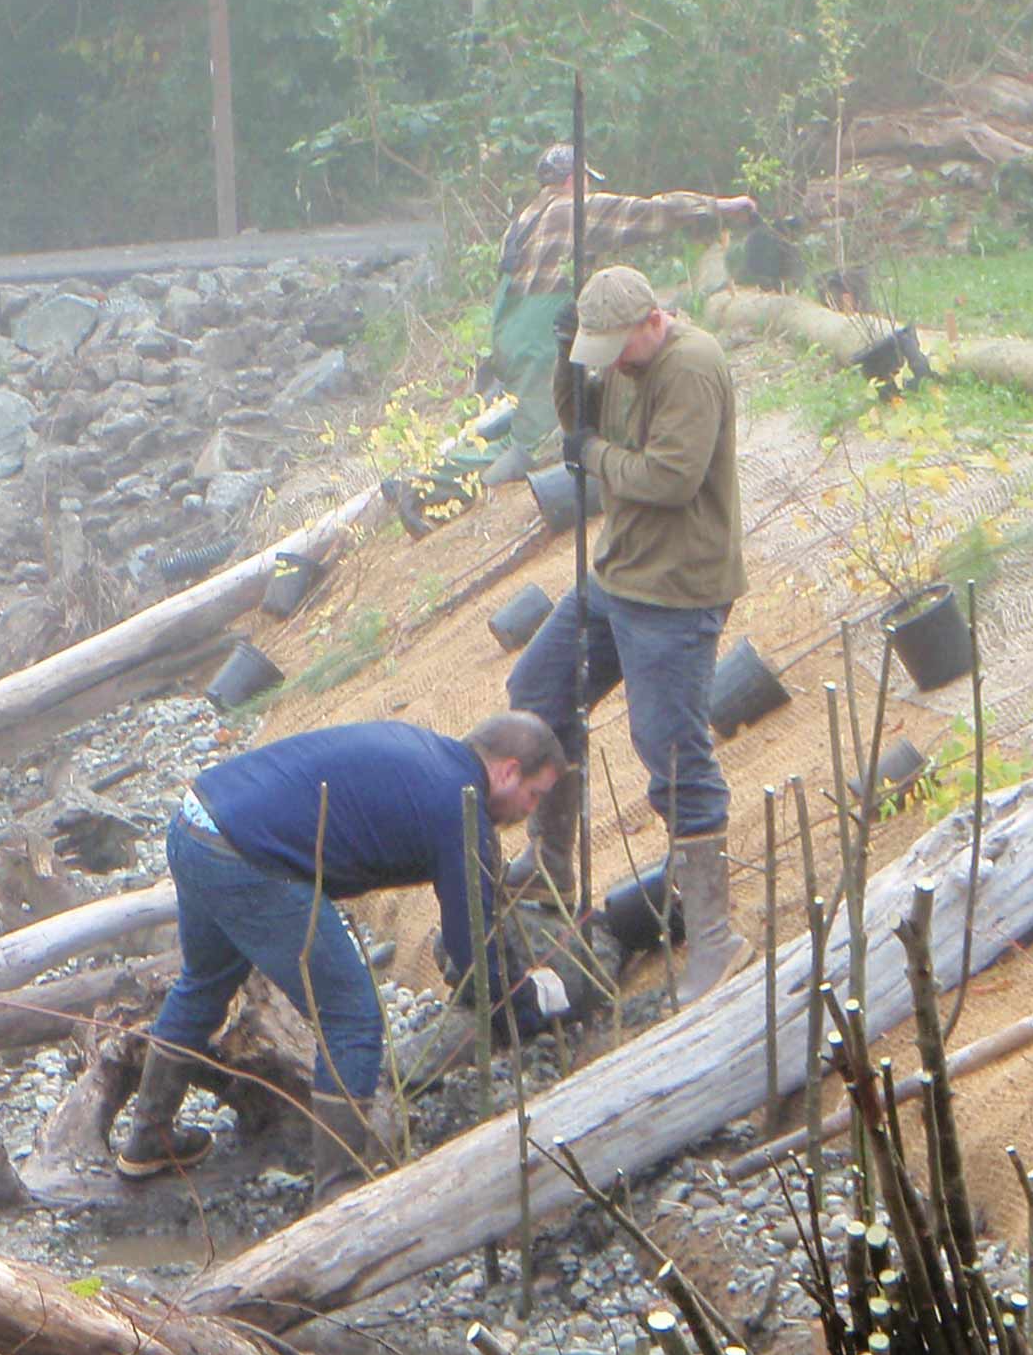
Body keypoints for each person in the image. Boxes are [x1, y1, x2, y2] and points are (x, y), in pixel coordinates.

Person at [117, 712, 571, 1179]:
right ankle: (341, 1189)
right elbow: (473, 938)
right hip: (245, 858)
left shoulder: (430, 758)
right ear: (509, 770)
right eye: (533, 795)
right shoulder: (459, 806)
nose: (528, 811)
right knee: (351, 1015)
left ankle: (150, 1138)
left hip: (196, 820)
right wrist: (524, 1006)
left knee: (205, 982)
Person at [506, 263, 750, 1001]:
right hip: (616, 575)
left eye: (616, 349)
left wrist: (594, 457)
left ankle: (713, 933)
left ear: (652, 320)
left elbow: (671, 479)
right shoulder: (618, 359)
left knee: (669, 747)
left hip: (674, 590)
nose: (610, 364)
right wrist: (564, 365)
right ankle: (551, 862)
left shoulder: (691, 366)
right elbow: (575, 427)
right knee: (537, 690)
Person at [485, 145, 756, 487]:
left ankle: (441, 475)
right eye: (587, 180)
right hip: (536, 333)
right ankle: (454, 489)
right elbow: (649, 213)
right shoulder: (574, 210)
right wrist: (720, 208)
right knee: (533, 436)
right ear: (573, 180)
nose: (590, 189)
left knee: (512, 422)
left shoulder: (522, 221)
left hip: (507, 331)